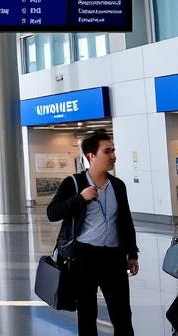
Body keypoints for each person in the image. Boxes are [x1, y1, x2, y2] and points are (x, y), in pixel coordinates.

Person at [47, 131, 138, 336]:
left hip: (113, 257)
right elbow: (52, 213)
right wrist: (80, 198)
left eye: (113, 150)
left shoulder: (117, 185)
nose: (113, 155)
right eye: (107, 151)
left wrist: (132, 254)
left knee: (122, 313)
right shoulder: (74, 183)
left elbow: (125, 222)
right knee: (87, 313)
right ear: (91, 156)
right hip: (83, 258)